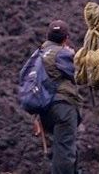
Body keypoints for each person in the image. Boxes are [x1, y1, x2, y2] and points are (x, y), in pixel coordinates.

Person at [36, 20, 81, 174]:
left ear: (48, 36)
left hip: (44, 109)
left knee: (63, 147)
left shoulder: (39, 54)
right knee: (65, 152)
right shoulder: (62, 53)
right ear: (66, 38)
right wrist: (73, 55)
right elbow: (79, 75)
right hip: (63, 107)